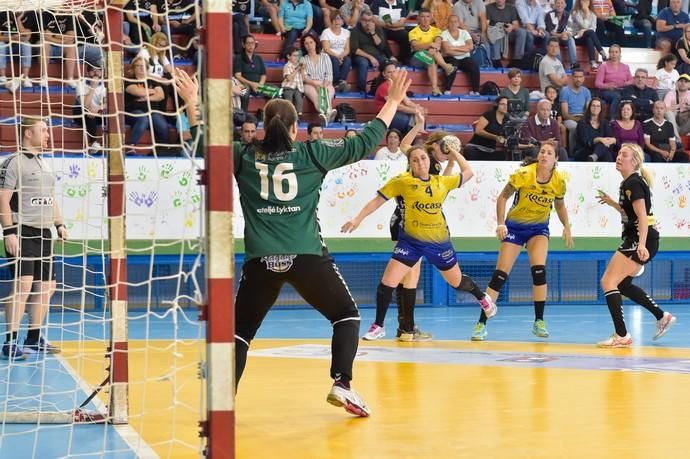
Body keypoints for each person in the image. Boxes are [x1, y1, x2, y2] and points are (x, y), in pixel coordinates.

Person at [231, 70, 413, 417]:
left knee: (241, 333)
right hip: (306, 255)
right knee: (346, 315)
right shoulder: (312, 154)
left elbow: (204, 145)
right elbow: (362, 142)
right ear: (296, 128)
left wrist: (194, 105)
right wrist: (390, 103)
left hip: (260, 261)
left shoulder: (242, 156)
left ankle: (222, 400)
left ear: (264, 127)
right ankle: (341, 384)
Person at [343, 141, 497, 342]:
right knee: (388, 281)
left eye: (423, 158)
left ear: (429, 160)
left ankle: (482, 298)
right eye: (415, 160)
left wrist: (453, 152)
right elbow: (377, 201)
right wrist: (357, 219)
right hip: (411, 242)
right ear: (410, 164)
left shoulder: (441, 182)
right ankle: (378, 326)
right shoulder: (401, 181)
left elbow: (468, 171)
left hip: (439, 242)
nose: (420, 163)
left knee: (457, 282)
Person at [470, 141, 573, 341]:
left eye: (549, 153)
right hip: (515, 228)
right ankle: (481, 323)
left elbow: (559, 206)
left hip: (538, 229)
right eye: (542, 151)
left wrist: (567, 226)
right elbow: (502, 197)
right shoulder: (524, 174)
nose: (544, 155)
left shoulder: (559, 181)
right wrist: (501, 224)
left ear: (556, 159)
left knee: (539, 271)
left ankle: (539, 321)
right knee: (500, 275)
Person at [595, 143, 676, 347]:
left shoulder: (633, 183)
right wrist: (613, 203)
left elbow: (641, 216)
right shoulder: (629, 183)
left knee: (608, 281)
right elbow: (629, 213)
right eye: (619, 153)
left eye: (624, 154)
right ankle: (662, 316)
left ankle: (622, 335)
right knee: (622, 285)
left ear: (634, 162)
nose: (619, 157)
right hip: (640, 238)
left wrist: (641, 245)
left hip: (641, 239)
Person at [0, 117, 67, 360]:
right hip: (22, 231)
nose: (48, 134)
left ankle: (34, 337)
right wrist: (9, 232)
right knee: (23, 285)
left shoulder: (44, 164)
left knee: (48, 287)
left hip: (44, 233)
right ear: (28, 133)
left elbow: (50, 199)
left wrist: (59, 224)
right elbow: (3, 200)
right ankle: (10, 342)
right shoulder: (13, 163)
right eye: (43, 130)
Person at [124, 55, 170, 155]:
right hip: (133, 112)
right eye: (138, 65)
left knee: (162, 125)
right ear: (133, 68)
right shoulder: (128, 81)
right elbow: (137, 92)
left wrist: (146, 98)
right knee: (143, 118)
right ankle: (131, 146)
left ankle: (163, 149)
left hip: (152, 111)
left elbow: (161, 95)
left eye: (144, 66)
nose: (141, 68)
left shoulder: (152, 80)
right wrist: (153, 91)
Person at [408, 9, 456, 97]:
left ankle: (435, 88)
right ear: (418, 18)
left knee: (431, 59)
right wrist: (430, 44)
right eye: (422, 17)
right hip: (417, 57)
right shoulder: (413, 32)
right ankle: (445, 66)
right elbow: (415, 47)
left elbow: (437, 44)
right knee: (430, 54)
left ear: (431, 18)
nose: (425, 19)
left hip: (431, 57)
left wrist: (430, 48)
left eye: (427, 17)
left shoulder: (436, 30)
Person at [373, 61, 427, 135]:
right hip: (385, 115)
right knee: (409, 121)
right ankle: (414, 140)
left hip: (396, 112)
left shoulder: (398, 85)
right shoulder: (384, 87)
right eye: (389, 72)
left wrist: (418, 108)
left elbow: (407, 101)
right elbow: (396, 106)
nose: (392, 74)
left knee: (420, 117)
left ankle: (418, 138)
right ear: (384, 74)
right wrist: (414, 111)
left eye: (394, 71)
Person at [350, 12, 394, 94]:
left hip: (377, 55)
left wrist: (373, 33)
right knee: (363, 63)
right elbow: (354, 49)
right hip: (361, 55)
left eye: (370, 20)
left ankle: (382, 88)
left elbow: (381, 46)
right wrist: (370, 57)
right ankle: (361, 89)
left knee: (388, 64)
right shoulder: (355, 30)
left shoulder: (377, 29)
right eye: (365, 20)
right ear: (360, 20)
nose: (367, 23)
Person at [301, 33, 338, 126]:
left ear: (316, 43)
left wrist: (324, 84)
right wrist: (315, 84)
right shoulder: (303, 59)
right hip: (309, 84)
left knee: (329, 90)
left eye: (311, 42)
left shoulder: (325, 57)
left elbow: (329, 74)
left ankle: (326, 115)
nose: (309, 45)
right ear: (304, 46)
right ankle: (328, 112)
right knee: (316, 97)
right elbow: (304, 77)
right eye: (306, 43)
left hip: (324, 82)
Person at [441, 15, 481, 95]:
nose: (453, 24)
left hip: (464, 58)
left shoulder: (464, 32)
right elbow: (447, 51)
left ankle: (476, 91)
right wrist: (464, 50)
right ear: (448, 23)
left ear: (458, 23)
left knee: (474, 66)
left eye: (455, 22)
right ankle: (447, 90)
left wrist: (453, 48)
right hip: (450, 57)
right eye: (451, 22)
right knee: (452, 65)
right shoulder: (444, 33)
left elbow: (470, 46)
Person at [464, 95, 509, 161]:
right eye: (503, 104)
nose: (505, 107)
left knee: (506, 155)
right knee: (469, 151)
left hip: (490, 151)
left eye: (507, 105)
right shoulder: (489, 114)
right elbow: (478, 131)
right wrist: (495, 137)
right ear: (496, 105)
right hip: (476, 147)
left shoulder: (507, 119)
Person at [73, 64, 106, 153]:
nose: (96, 73)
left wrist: (98, 109)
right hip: (81, 113)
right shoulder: (81, 83)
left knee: (110, 112)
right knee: (88, 111)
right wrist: (93, 87)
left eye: (98, 70)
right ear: (88, 72)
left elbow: (107, 104)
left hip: (98, 112)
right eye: (92, 70)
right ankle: (93, 143)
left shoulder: (106, 84)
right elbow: (85, 105)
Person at [486, 0, 528, 69]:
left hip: (508, 32)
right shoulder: (489, 8)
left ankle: (517, 60)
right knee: (495, 32)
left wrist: (512, 27)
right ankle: (496, 60)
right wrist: (497, 28)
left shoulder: (511, 8)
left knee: (522, 32)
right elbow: (486, 24)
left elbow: (516, 25)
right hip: (496, 32)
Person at [594, 44, 632, 119]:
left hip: (621, 90)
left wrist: (625, 83)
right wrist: (608, 86)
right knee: (617, 96)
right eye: (612, 52)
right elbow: (597, 83)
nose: (614, 54)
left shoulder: (625, 67)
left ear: (620, 54)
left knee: (629, 97)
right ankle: (612, 119)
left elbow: (631, 80)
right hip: (607, 91)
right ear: (609, 54)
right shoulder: (603, 66)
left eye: (616, 52)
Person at [560, 68, 592, 155]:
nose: (578, 79)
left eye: (580, 77)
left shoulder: (586, 91)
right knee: (574, 127)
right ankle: (572, 153)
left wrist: (584, 119)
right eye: (576, 77)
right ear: (572, 78)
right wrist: (578, 120)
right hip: (569, 119)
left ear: (583, 78)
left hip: (583, 117)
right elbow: (565, 114)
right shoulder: (565, 91)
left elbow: (589, 109)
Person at [574, 97, 617, 161]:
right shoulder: (582, 122)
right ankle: (595, 156)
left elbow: (609, 137)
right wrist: (599, 139)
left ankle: (594, 156)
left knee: (606, 152)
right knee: (605, 150)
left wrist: (613, 139)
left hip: (600, 152)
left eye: (598, 106)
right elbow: (585, 142)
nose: (595, 108)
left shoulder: (605, 122)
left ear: (601, 109)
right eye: (593, 106)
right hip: (584, 151)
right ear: (589, 108)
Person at [568, 0, 607, 70]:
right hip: (575, 37)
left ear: (590, 2)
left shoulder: (592, 14)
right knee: (590, 33)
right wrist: (586, 12)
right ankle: (602, 52)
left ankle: (592, 62)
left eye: (587, 1)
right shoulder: (575, 12)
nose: (585, 3)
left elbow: (593, 29)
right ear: (579, 2)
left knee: (589, 37)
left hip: (585, 37)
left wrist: (584, 30)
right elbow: (584, 25)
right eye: (583, 1)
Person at [0, 11, 33, 92]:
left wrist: (18, 20)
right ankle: (2, 77)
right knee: (0, 44)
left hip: (18, 47)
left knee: (26, 44)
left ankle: (25, 77)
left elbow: (27, 37)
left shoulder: (30, 14)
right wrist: (12, 38)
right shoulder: (2, 14)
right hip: (6, 48)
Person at [233, 35, 267, 113]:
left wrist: (260, 85)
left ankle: (269, 115)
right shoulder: (239, 58)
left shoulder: (258, 58)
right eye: (248, 43)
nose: (251, 45)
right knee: (245, 91)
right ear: (243, 45)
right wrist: (252, 84)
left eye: (252, 43)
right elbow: (238, 75)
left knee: (275, 90)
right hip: (244, 84)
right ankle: (243, 114)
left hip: (258, 86)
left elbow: (263, 74)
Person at [370, 0, 411, 64]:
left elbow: (402, 22)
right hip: (382, 28)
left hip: (396, 29)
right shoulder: (377, 2)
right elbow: (375, 20)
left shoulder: (401, 5)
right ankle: (390, 56)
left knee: (405, 34)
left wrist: (392, 26)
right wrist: (387, 25)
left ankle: (402, 60)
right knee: (381, 32)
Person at [320, 12, 351, 92]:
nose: (337, 21)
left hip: (341, 55)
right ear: (331, 21)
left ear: (342, 21)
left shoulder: (346, 32)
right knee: (333, 59)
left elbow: (347, 49)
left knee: (348, 60)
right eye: (334, 19)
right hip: (329, 54)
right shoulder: (326, 32)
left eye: (339, 19)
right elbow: (326, 49)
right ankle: (337, 82)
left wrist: (341, 56)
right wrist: (337, 57)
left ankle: (341, 82)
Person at [545, 0, 578, 70]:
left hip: (563, 37)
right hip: (553, 37)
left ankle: (574, 63)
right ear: (555, 4)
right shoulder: (549, 15)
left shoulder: (568, 15)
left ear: (565, 5)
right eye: (558, 3)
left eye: (562, 3)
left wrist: (567, 34)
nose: (560, 5)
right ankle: (560, 63)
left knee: (571, 39)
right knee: (554, 41)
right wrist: (560, 35)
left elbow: (570, 29)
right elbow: (550, 32)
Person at [663, 73, 690, 138]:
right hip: (673, 125)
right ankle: (677, 140)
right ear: (677, 83)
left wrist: (688, 107)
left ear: (689, 85)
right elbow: (664, 110)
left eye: (686, 82)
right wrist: (679, 105)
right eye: (681, 81)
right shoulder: (671, 93)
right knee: (668, 113)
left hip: (686, 125)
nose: (683, 83)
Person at [281, 46, 306, 118]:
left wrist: (302, 70)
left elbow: (304, 79)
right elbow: (288, 78)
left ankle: (299, 115)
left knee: (299, 100)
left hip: (298, 88)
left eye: (298, 56)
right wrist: (297, 69)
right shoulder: (287, 66)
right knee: (289, 98)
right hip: (288, 87)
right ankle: (289, 115)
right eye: (294, 56)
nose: (297, 58)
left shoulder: (299, 66)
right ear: (288, 56)